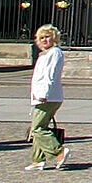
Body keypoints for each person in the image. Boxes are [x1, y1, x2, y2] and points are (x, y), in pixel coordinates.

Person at [25, 24, 71, 170]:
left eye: (47, 37)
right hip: (43, 95)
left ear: (54, 38)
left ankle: (59, 151)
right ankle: (38, 159)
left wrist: (44, 93)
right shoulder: (45, 54)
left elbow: (49, 75)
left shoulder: (54, 53)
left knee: (37, 128)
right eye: (42, 38)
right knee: (40, 127)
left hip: (47, 96)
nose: (44, 40)